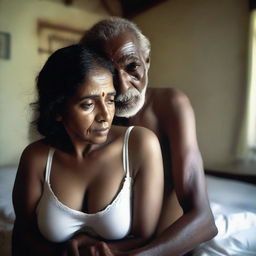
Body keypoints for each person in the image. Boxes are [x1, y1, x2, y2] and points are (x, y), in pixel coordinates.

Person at [79, 17, 218, 256]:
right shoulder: (86, 116)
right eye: (108, 72)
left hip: (162, 242)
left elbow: (204, 219)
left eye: (132, 67)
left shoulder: (170, 105)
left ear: (147, 61)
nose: (123, 87)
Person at [12, 44, 164, 256]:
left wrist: (102, 250)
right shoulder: (36, 158)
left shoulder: (139, 145)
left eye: (110, 100)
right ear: (58, 110)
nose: (105, 115)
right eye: (88, 105)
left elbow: (145, 237)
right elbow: (22, 235)